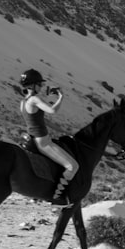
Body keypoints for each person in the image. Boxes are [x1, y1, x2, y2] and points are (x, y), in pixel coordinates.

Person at [19, 68, 79, 206]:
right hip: (43, 141)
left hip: (32, 138)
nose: (41, 87)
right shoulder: (34, 99)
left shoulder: (23, 101)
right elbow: (52, 111)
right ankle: (57, 197)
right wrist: (61, 97)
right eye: (39, 84)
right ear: (32, 85)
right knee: (72, 166)